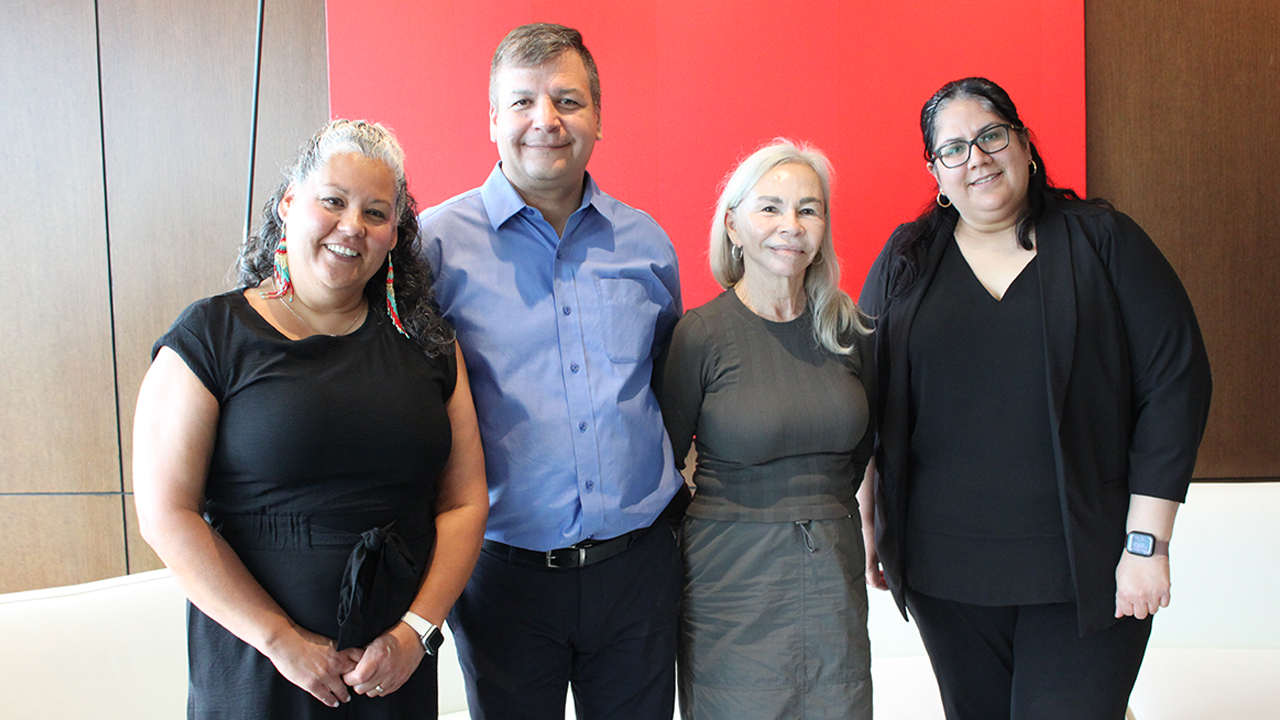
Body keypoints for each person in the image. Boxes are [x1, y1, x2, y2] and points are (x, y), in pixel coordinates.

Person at [858, 77, 1213, 720]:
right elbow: (860, 399)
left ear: (1024, 145)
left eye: (992, 136)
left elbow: (1175, 381)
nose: (978, 158)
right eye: (955, 148)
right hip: (947, 577)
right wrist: (864, 524)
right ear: (936, 172)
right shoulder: (905, 262)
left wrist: (1147, 544)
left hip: (1088, 571)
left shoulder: (1103, 241)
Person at [132, 119, 489, 719]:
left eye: (377, 213)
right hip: (260, 668)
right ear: (290, 203)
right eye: (333, 201)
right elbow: (165, 514)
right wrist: (282, 642)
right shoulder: (211, 337)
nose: (353, 226)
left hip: (392, 675)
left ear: (393, 234)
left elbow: (463, 503)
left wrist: (416, 632)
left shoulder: (428, 343)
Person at [417, 23, 685, 720]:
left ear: (598, 118)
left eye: (568, 100)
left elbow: (665, 383)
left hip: (637, 572)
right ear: (492, 121)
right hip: (504, 576)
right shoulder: (433, 248)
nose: (547, 120)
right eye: (523, 102)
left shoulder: (647, 243)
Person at [655, 140, 875, 719]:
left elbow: (862, 450)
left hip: (833, 567)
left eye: (809, 209)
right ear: (733, 225)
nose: (791, 226)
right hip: (731, 577)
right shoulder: (700, 335)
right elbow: (664, 463)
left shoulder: (849, 330)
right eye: (770, 208)